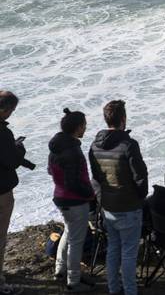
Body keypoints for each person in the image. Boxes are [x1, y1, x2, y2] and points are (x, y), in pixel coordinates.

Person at [88, 100, 149, 295]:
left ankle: (114, 289)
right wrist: (140, 197)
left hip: (108, 206)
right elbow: (140, 176)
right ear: (123, 119)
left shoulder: (94, 146)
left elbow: (95, 179)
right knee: (129, 253)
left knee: (114, 249)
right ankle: (130, 291)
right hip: (129, 206)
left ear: (106, 119)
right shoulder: (128, 145)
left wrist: (101, 200)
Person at [49, 108, 94, 292]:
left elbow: (51, 171)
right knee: (77, 241)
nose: (85, 128)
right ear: (78, 127)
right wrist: (89, 194)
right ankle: (73, 282)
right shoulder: (73, 151)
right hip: (74, 201)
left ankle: (60, 269)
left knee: (68, 232)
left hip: (60, 197)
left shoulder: (56, 147)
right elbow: (73, 182)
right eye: (84, 125)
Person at [1, 91, 34, 295]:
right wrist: (19, 149)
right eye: (12, 110)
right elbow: (11, 161)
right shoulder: (3, 133)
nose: (11, 114)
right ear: (4, 109)